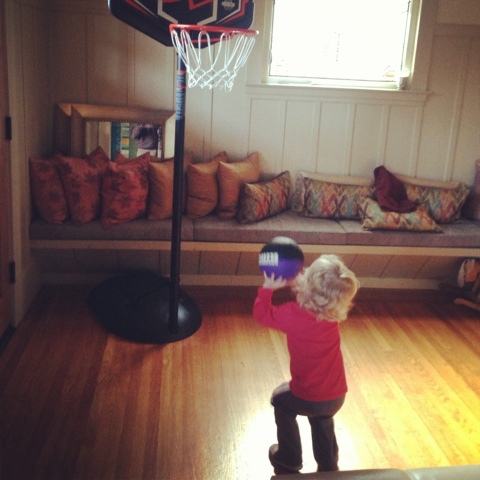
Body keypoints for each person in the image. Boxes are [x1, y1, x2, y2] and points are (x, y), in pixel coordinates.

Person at [253, 254, 359, 475]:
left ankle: (288, 458)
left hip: (308, 396)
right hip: (336, 396)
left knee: (280, 401)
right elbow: (324, 292)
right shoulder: (332, 315)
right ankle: (328, 466)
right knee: (322, 418)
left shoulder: (293, 314)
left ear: (308, 287)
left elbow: (261, 314)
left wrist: (268, 288)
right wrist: (297, 279)